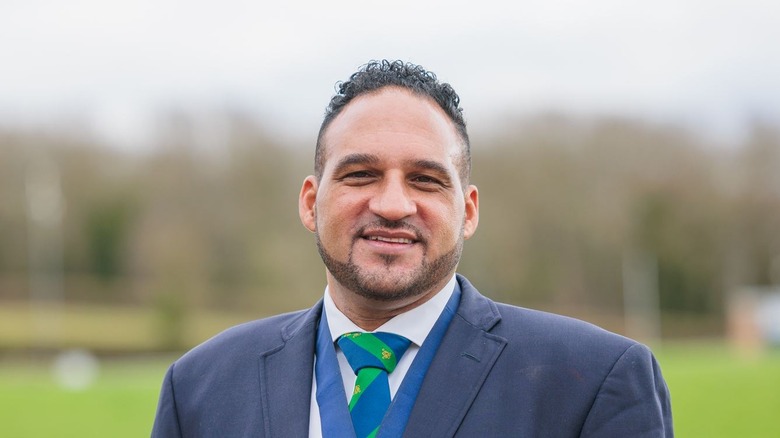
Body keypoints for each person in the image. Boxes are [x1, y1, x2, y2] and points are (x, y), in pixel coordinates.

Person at [152, 60, 673, 437]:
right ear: (311, 202)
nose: (394, 204)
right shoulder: (201, 388)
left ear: (467, 211)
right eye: (361, 174)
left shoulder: (593, 382)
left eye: (425, 180)